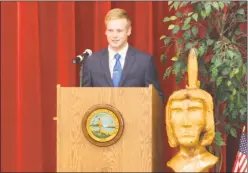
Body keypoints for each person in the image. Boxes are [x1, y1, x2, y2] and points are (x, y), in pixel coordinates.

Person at [83, 8, 164, 103]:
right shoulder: (92, 61)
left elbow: (158, 99)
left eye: (119, 31)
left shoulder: (144, 61)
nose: (114, 35)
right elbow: (84, 97)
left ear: (128, 31)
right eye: (110, 30)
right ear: (105, 32)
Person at [165, 49, 218, 172]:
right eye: (177, 111)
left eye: (194, 110)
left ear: (207, 118)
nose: (185, 122)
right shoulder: (174, 164)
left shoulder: (209, 161)